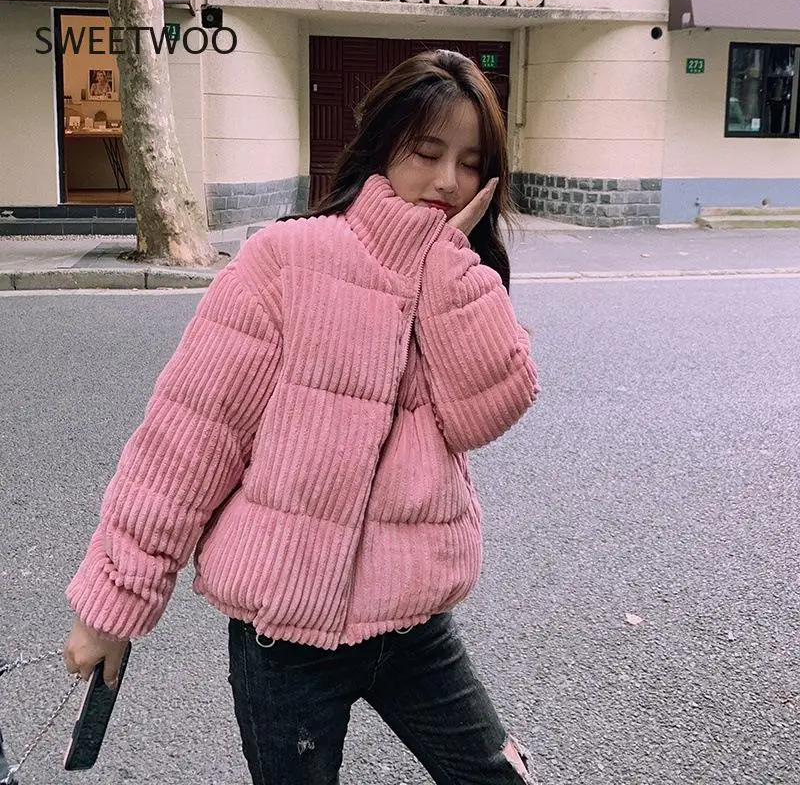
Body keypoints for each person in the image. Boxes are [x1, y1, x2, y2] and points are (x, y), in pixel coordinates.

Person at [63, 49, 540, 785]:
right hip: (283, 639)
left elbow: (489, 408)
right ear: (383, 147)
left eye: (471, 163)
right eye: (427, 152)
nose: (449, 181)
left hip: (413, 625)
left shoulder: (456, 277)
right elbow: (188, 441)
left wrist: (449, 265)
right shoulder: (285, 261)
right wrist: (112, 608)